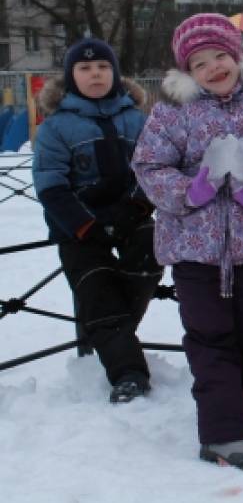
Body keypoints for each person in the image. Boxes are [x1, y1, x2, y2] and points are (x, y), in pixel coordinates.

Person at [132, 13, 243, 471]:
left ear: (238, 56)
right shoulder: (173, 113)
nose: (213, 67)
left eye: (220, 56)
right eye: (200, 62)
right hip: (195, 252)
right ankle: (222, 435)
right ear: (187, 72)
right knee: (211, 341)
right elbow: (149, 166)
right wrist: (190, 192)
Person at [32, 38, 163, 404]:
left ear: (115, 73)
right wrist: (87, 224)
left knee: (152, 251)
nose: (95, 74)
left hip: (130, 216)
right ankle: (129, 373)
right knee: (96, 289)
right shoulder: (56, 126)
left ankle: (105, 333)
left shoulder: (137, 119)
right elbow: (50, 184)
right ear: (72, 77)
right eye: (85, 68)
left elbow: (152, 169)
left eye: (103, 67)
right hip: (77, 226)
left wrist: (136, 207)